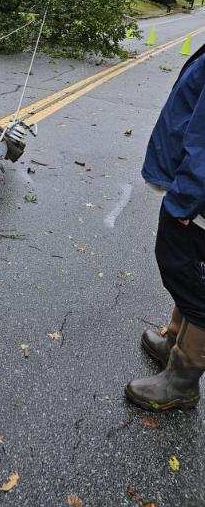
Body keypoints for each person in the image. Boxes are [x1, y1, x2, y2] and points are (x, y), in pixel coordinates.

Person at [125, 42, 205, 412]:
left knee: (187, 274)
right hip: (194, 192)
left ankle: (183, 379)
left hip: (197, 199)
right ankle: (176, 340)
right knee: (189, 271)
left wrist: (185, 199)